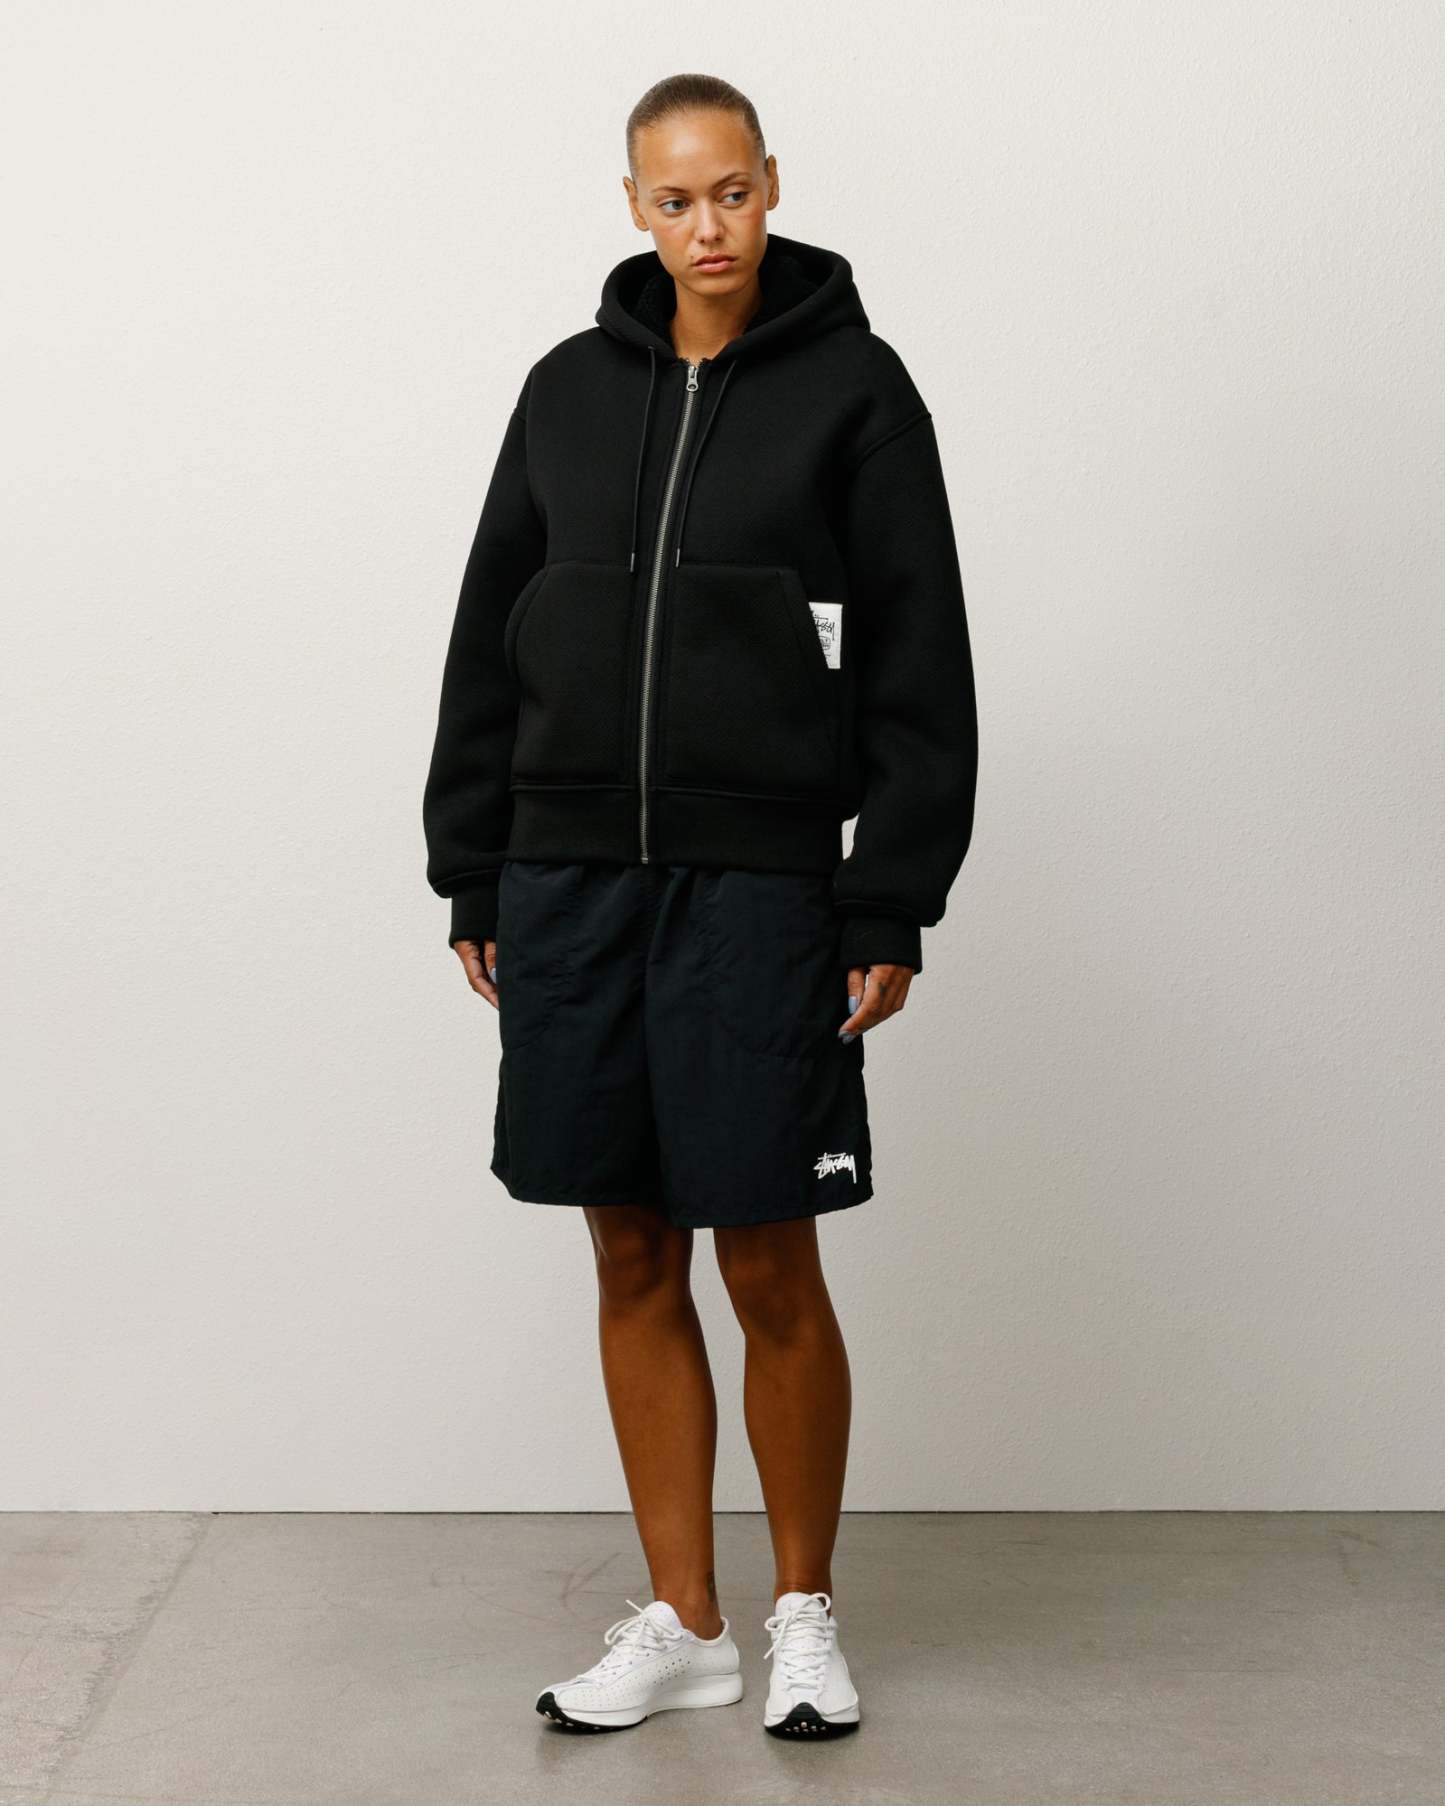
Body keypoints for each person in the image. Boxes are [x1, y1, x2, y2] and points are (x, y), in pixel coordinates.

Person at [422, 71, 977, 1740]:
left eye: (730, 191)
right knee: (625, 1244)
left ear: (771, 183)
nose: (707, 226)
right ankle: (684, 1618)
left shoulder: (856, 392)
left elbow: (918, 655)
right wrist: (471, 860)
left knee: (768, 1251)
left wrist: (887, 895)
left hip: (759, 885)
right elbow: (489, 629)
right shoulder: (565, 389)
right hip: (571, 877)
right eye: (674, 200)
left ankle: (803, 1612)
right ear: (633, 207)